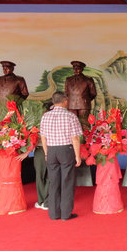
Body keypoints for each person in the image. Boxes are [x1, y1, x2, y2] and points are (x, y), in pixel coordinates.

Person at [40, 91, 82, 221]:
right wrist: (78, 156)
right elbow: (75, 138)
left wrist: (46, 153)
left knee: (54, 183)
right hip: (66, 150)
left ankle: (53, 214)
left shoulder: (45, 116)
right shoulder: (71, 116)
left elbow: (43, 137)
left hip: (51, 150)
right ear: (65, 101)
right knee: (67, 182)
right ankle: (65, 214)